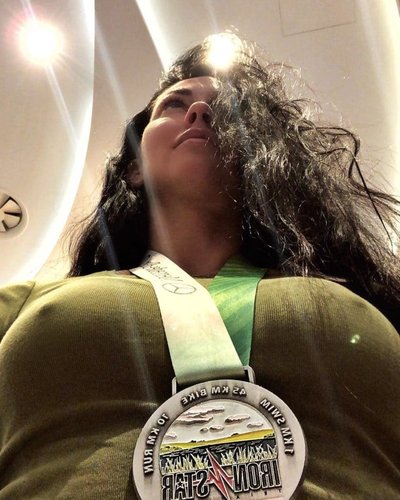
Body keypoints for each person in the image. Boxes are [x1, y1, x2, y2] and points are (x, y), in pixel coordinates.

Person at [0, 34, 399, 499]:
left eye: (229, 110)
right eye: (174, 104)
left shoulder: (360, 293)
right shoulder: (24, 301)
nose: (201, 112)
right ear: (134, 167)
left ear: (263, 156)